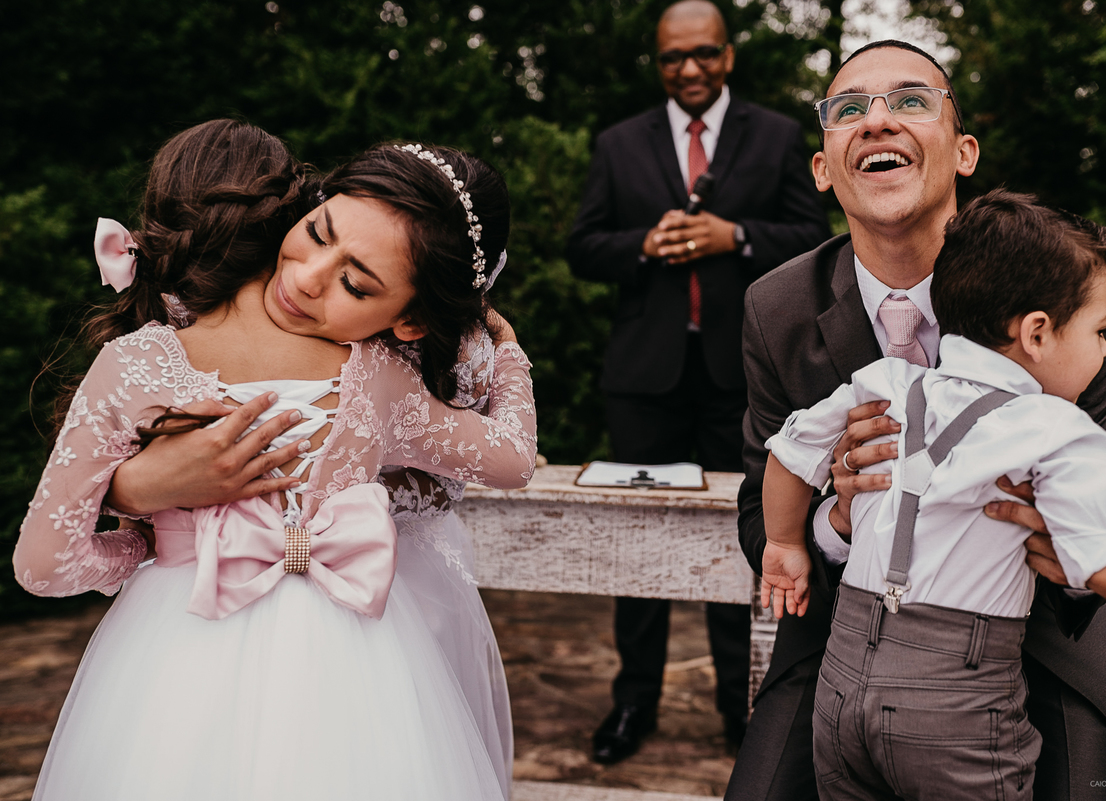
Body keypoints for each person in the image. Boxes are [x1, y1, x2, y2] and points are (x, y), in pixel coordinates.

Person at [13, 121, 536, 800]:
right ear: (307, 204)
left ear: (410, 320)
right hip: (361, 659)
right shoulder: (380, 377)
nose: (308, 279)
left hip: (174, 639)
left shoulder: (137, 362)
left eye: (356, 282)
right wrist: (511, 355)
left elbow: (44, 563)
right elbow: (514, 457)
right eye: (318, 232)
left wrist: (145, 546)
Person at [727, 42, 1106, 801]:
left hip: (1032, 636)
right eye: (849, 110)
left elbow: (1097, 505)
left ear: (963, 150)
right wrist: (839, 515)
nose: (877, 121)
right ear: (823, 168)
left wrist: (1050, 524)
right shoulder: (775, 308)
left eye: (910, 100)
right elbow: (761, 513)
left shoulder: (1063, 288)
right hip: (843, 642)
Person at [760, 189, 1106, 800]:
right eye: (1099, 330)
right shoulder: (1057, 428)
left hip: (840, 689)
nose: (1105, 348)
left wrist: (783, 543)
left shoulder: (888, 383)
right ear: (1038, 334)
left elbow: (787, 455)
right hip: (958, 706)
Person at [566, 0, 830, 762]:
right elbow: (584, 245)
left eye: (702, 54)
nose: (688, 69)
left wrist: (733, 236)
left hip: (740, 376)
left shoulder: (779, 135)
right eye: (672, 57)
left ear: (728, 57)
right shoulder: (619, 143)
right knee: (637, 545)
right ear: (659, 62)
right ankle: (632, 705)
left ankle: (741, 708)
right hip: (642, 377)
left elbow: (813, 237)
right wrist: (644, 245)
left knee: (745, 538)